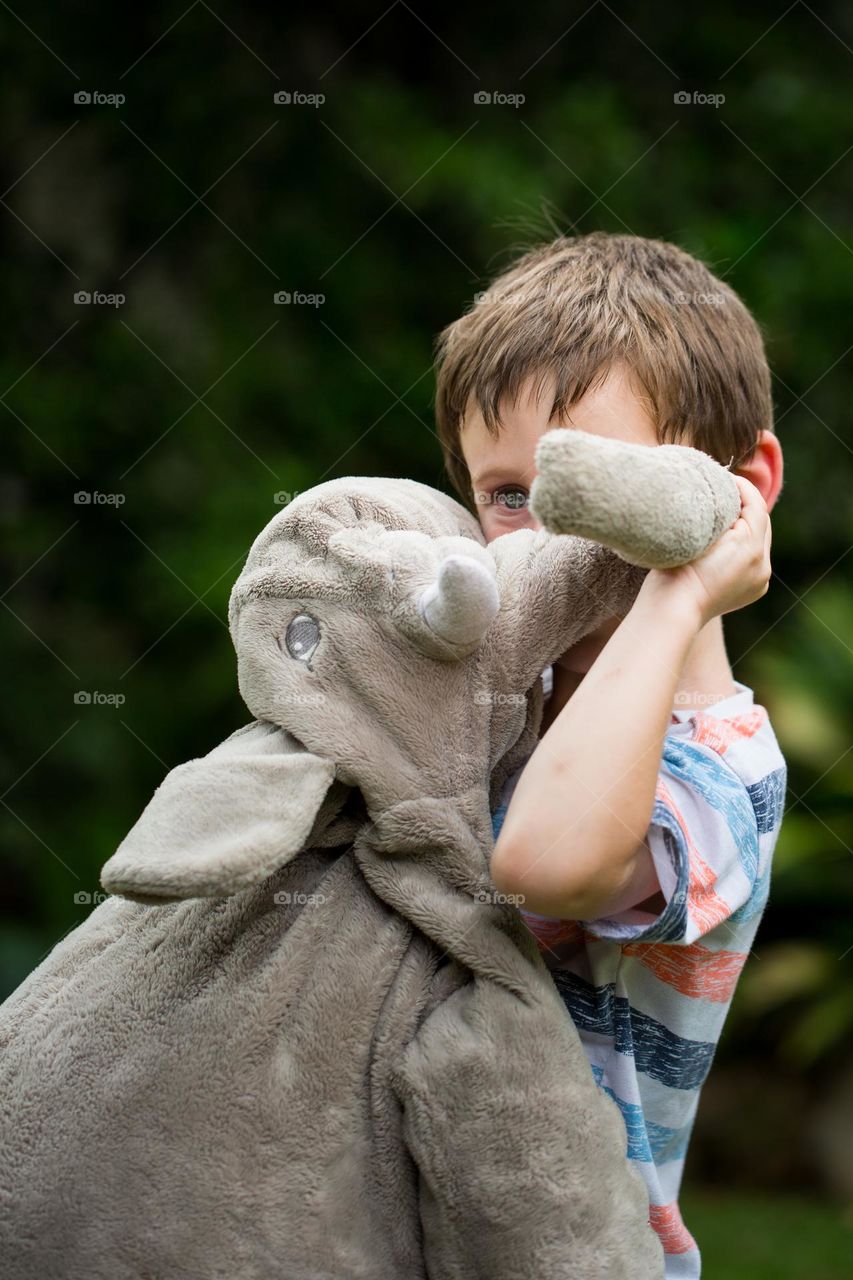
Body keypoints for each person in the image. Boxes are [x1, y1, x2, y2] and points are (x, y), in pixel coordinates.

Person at [434, 232, 787, 1278]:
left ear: (740, 488)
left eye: (589, 486)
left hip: (578, 1248)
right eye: (509, 495)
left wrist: (677, 597)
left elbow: (547, 864)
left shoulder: (725, 766)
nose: (543, 533)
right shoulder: (496, 699)